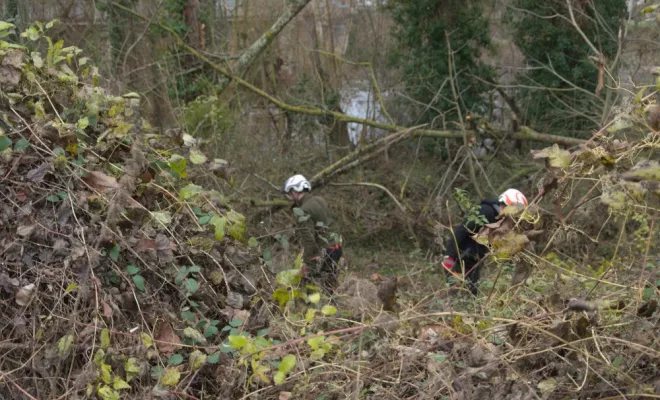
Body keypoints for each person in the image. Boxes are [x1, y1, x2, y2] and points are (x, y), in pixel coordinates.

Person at [441, 188, 528, 295]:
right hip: (461, 259)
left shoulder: (501, 220)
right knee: (457, 293)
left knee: (472, 293)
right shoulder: (486, 211)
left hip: (474, 261)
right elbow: (461, 230)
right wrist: (449, 256)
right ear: (507, 204)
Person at [282, 174, 343, 292]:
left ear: (295, 191)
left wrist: (307, 262)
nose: (290, 196)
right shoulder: (320, 200)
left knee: (311, 287)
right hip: (337, 247)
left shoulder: (303, 210)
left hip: (325, 251)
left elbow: (309, 239)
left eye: (290, 193)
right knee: (331, 285)